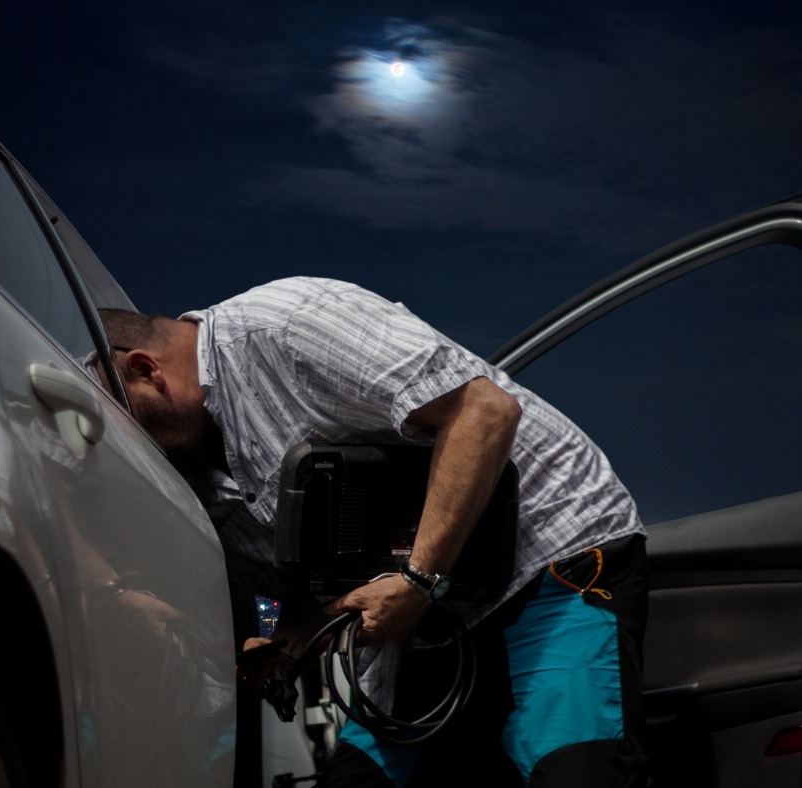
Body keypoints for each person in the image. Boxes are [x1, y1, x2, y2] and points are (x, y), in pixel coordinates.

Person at [96, 276, 649, 788]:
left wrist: (418, 578)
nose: (141, 449)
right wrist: (281, 641)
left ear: (147, 370)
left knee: (575, 773)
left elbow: (483, 411)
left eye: (135, 425)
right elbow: (300, 590)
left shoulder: (286, 324)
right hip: (419, 627)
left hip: (547, 566)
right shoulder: (194, 475)